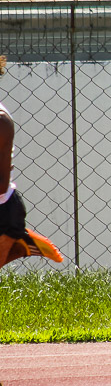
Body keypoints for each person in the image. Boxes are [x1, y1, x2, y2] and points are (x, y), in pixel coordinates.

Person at [0, 99, 64, 269]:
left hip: (3, 213)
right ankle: (21, 246)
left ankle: (19, 244)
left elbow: (1, 183)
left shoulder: (1, 122)